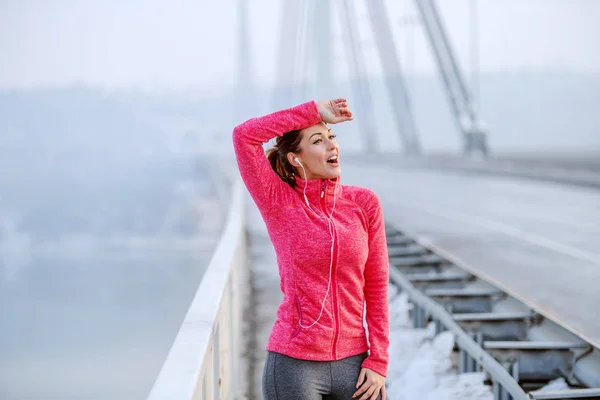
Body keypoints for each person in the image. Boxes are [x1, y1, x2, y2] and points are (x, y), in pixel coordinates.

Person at [233, 98, 389, 400]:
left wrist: (379, 359)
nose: (332, 146)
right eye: (318, 141)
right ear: (295, 158)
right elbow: (244, 136)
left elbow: (377, 285)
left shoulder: (364, 204)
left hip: (356, 364)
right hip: (294, 366)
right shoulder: (278, 201)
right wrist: (313, 111)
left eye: (332, 137)